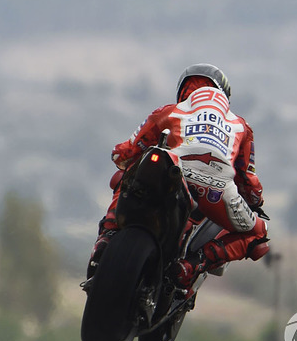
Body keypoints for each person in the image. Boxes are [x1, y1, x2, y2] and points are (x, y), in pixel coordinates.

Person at [88, 63, 269, 291]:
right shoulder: (241, 125)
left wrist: (121, 156)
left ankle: (107, 235)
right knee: (258, 234)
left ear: (183, 90)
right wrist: (256, 202)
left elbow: (125, 153)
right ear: (225, 95)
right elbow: (247, 180)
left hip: (171, 172)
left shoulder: (169, 111)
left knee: (127, 175)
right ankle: (193, 265)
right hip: (216, 191)